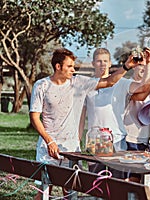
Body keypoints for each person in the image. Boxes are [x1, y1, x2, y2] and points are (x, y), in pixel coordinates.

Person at [29, 48, 136, 199]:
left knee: (71, 193)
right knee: (45, 192)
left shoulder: (78, 82)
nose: (73, 69)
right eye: (70, 66)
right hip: (48, 148)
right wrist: (49, 141)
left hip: (71, 148)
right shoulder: (41, 86)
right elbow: (34, 117)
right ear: (58, 66)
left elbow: (109, 81)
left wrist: (126, 66)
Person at [79, 47, 150, 177]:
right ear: (93, 64)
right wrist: (78, 141)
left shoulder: (121, 82)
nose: (102, 64)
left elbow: (143, 87)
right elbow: (81, 117)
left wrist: (147, 64)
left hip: (117, 139)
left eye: (105, 61)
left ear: (110, 63)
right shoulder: (87, 84)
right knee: (97, 185)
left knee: (118, 183)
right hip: (94, 140)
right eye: (98, 61)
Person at [124, 58, 150, 183]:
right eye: (140, 65)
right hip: (129, 139)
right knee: (128, 180)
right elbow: (141, 94)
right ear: (134, 66)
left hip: (143, 139)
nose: (143, 68)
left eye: (146, 65)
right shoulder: (127, 84)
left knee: (138, 180)